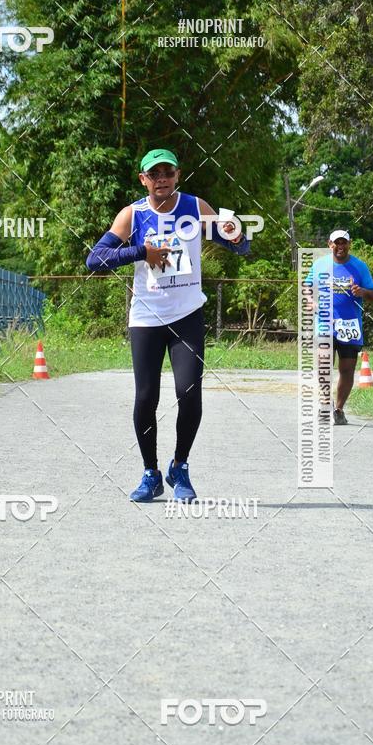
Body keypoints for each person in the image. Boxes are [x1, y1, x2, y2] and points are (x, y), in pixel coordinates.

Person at [86, 148, 250, 502]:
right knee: (146, 397)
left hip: (187, 313)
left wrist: (237, 236)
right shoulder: (133, 214)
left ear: (178, 175)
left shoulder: (194, 206)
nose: (162, 179)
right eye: (154, 173)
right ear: (143, 179)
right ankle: (150, 473)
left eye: (168, 172)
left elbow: (237, 244)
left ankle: (181, 467)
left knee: (189, 392)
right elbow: (95, 259)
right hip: (146, 317)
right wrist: (141, 252)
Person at [307, 230, 373, 425]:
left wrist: (362, 291)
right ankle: (325, 404)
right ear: (330, 244)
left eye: (344, 243)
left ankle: (338, 410)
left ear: (349, 244)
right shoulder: (320, 264)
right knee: (323, 365)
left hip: (349, 326)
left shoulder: (359, 267)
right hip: (324, 324)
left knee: (347, 370)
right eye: (336, 243)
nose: (340, 246)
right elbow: (307, 287)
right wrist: (311, 301)